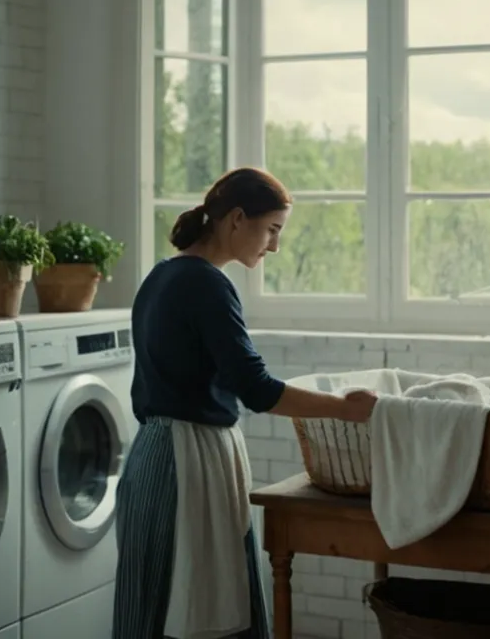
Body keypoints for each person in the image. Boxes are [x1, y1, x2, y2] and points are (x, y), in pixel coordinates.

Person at [112, 166, 377, 639]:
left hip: (153, 457)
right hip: (188, 464)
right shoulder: (207, 284)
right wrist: (344, 408)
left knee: (150, 608)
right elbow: (255, 388)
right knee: (197, 614)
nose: (274, 246)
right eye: (272, 229)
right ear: (237, 218)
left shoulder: (162, 276)